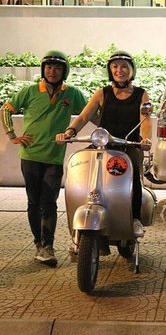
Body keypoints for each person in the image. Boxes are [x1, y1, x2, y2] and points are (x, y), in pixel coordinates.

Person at [0, 51, 87, 265]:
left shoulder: (72, 94)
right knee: (33, 201)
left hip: (55, 157)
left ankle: (48, 246)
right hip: (30, 156)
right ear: (43, 69)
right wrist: (12, 135)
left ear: (64, 71)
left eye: (57, 68)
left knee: (49, 202)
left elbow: (90, 113)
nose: (52, 71)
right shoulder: (29, 91)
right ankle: (38, 243)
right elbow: (5, 110)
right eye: (48, 67)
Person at [56, 51, 151, 237]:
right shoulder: (103, 93)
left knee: (133, 175)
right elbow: (84, 116)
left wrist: (145, 140)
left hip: (128, 145)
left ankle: (135, 218)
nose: (119, 70)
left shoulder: (141, 94)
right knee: (82, 168)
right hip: (103, 145)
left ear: (132, 70)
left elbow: (145, 120)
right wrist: (70, 131)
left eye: (124, 66)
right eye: (115, 66)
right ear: (110, 70)